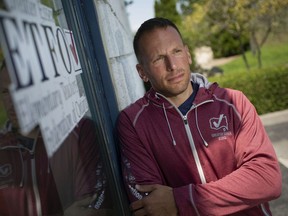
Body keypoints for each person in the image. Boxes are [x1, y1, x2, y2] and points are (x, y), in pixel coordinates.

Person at [117, 17, 282, 216]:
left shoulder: (233, 102)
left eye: (176, 52)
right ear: (142, 72)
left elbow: (267, 179)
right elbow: (151, 206)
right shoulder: (133, 122)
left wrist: (182, 201)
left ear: (187, 54)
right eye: (158, 59)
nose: (172, 65)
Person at [0, 62, 113, 216]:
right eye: (5, 92)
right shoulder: (2, 146)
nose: (12, 101)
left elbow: (91, 210)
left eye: (19, 92)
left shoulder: (77, 132)